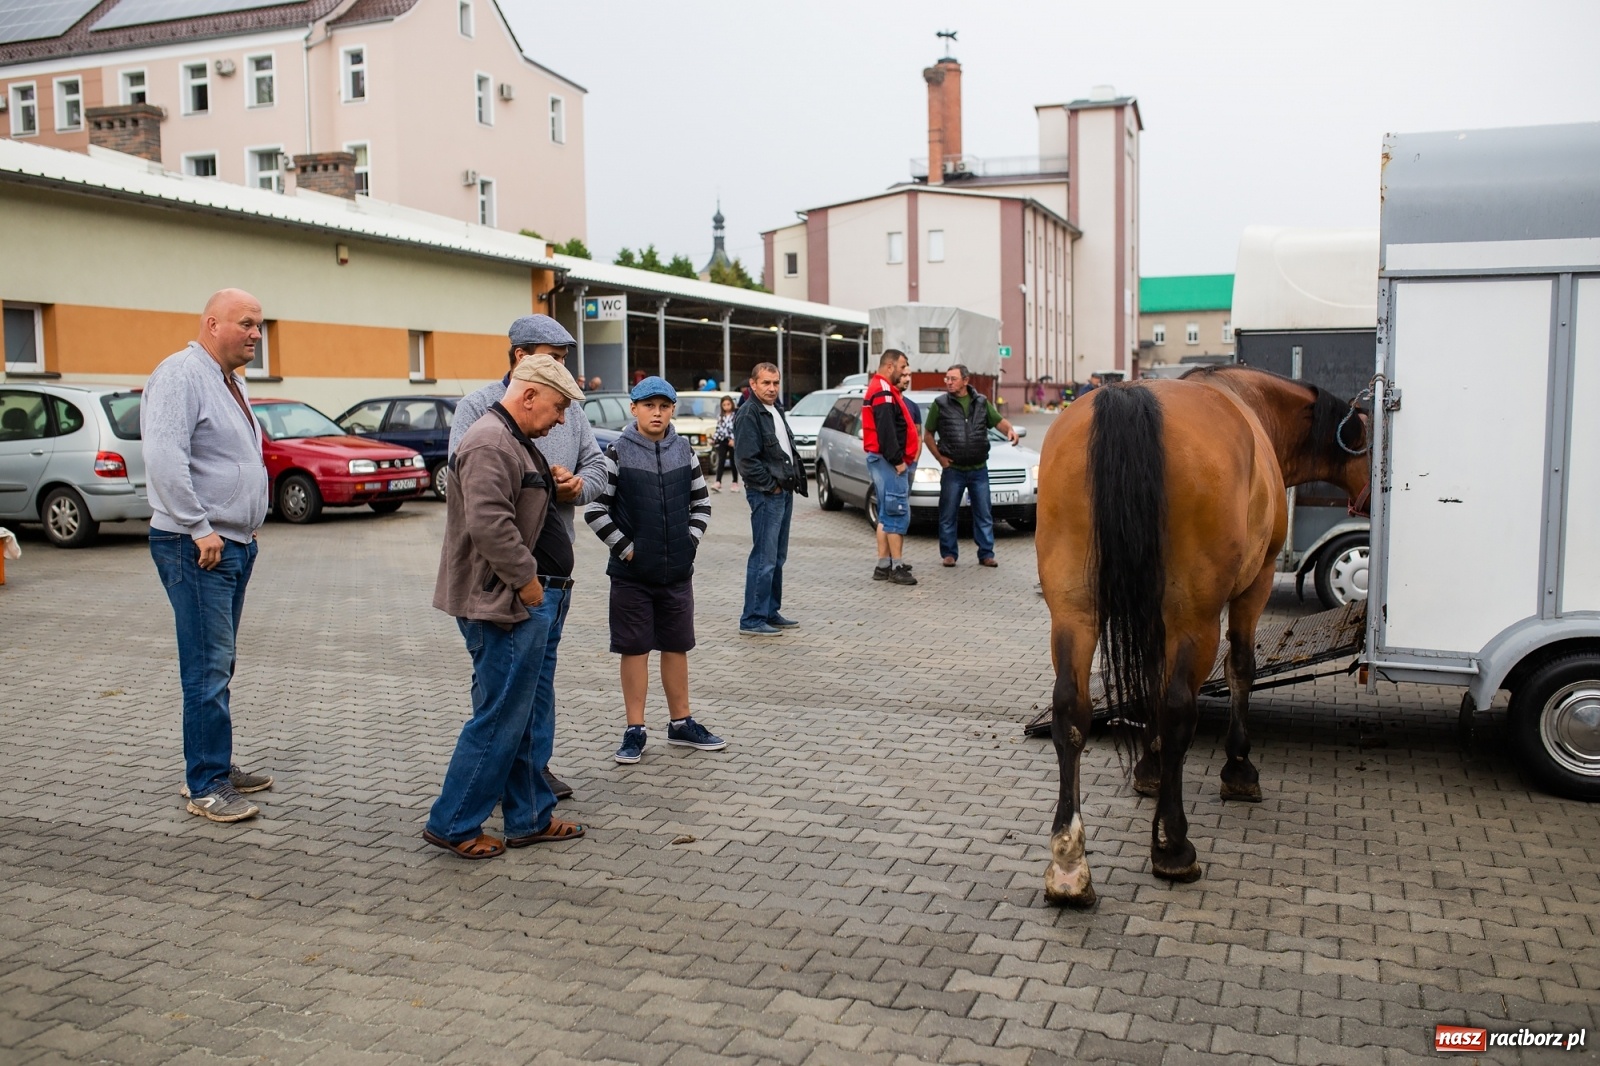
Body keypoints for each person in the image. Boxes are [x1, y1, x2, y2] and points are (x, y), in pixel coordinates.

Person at [425, 356, 588, 859]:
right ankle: (453, 823)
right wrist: (528, 583)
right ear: (530, 395)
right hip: (506, 602)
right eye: (558, 407)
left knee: (524, 715)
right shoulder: (490, 441)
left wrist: (549, 480)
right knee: (499, 719)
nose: (561, 419)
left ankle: (529, 817)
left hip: (524, 598)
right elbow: (490, 524)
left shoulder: (513, 440)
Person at [449, 314, 605, 802]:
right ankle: (487, 788)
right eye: (554, 359)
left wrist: (578, 486)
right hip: (507, 579)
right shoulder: (481, 414)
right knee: (500, 691)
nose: (564, 371)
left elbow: (598, 465)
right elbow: (476, 497)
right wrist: (525, 579)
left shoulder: (568, 408)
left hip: (552, 578)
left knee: (538, 680)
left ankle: (532, 778)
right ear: (521, 358)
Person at [144, 289, 274, 823]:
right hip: (196, 546)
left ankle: (213, 763)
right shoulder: (181, 375)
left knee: (219, 663)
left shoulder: (230, 381)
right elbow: (164, 457)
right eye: (246, 323)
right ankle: (205, 784)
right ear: (212, 323)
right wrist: (199, 527)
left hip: (231, 544)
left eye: (259, 324)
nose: (256, 334)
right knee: (206, 668)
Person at [584, 376, 724, 764]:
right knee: (634, 648)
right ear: (634, 409)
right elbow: (595, 509)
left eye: (664, 406)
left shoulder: (685, 450)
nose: (657, 413)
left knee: (677, 645)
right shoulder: (617, 452)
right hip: (631, 576)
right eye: (649, 406)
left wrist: (689, 542)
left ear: (672, 409)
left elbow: (702, 504)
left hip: (676, 572)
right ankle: (635, 729)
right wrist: (626, 549)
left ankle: (681, 723)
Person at [734, 362, 808, 635]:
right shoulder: (749, 413)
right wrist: (771, 487)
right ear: (752, 384)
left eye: (775, 383)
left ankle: (769, 611)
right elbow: (746, 461)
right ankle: (752, 619)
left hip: (783, 492)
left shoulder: (775, 409)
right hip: (767, 495)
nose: (772, 388)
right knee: (764, 558)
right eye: (766, 383)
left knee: (777, 557)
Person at [925, 364, 1019, 568]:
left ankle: (986, 554)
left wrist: (1009, 430)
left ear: (966, 381)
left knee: (984, 513)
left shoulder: (981, 402)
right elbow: (928, 434)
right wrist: (940, 458)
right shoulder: (940, 404)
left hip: (978, 469)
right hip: (953, 470)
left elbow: (998, 422)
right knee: (948, 513)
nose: (949, 382)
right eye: (947, 379)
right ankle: (949, 554)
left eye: (953, 379)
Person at [863, 349, 919, 585]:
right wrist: (898, 461)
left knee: (887, 513)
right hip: (889, 462)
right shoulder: (883, 392)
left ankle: (883, 565)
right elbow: (886, 430)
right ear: (889, 367)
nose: (905, 371)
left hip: (882, 460)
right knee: (896, 512)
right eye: (902, 366)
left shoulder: (882, 389)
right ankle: (896, 567)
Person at [709, 395, 738, 492]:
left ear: (732, 404)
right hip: (723, 441)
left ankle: (735, 482)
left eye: (728, 404)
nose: (726, 407)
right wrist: (714, 439)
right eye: (724, 405)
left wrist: (733, 439)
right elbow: (718, 429)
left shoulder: (735, 416)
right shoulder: (720, 416)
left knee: (733, 462)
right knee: (721, 461)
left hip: (732, 441)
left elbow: (736, 429)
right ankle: (718, 482)